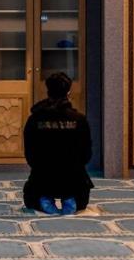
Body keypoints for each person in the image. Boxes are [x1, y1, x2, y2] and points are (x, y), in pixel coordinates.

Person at [23, 72, 93, 215]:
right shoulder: (79, 120)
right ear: (68, 92)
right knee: (79, 195)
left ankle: (45, 199)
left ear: (48, 91)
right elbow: (86, 154)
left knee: (32, 197)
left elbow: (30, 154)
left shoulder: (35, 119)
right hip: (74, 180)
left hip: (42, 178)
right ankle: (70, 199)